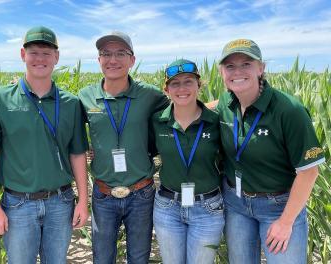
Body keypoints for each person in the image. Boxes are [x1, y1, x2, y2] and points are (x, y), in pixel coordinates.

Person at [0, 26, 89, 264]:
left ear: (56, 57)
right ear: (22, 55)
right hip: (18, 204)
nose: (40, 58)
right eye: (34, 52)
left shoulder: (71, 103)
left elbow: (78, 154)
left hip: (61, 202)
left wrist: (82, 201)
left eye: (47, 53)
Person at [217, 39, 325, 263]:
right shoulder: (226, 104)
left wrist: (286, 222)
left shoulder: (288, 110)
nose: (237, 71)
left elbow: (309, 172)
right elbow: (202, 108)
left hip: (279, 207)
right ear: (221, 72)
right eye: (230, 66)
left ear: (261, 68)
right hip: (236, 204)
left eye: (246, 64)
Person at [78, 31, 168, 263]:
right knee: (102, 257)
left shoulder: (151, 95)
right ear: (98, 60)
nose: (113, 60)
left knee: (139, 257)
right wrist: (90, 146)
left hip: (142, 193)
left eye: (120, 53)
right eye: (105, 54)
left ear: (132, 60)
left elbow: (185, 105)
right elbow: (69, 131)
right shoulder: (85, 97)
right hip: (103, 193)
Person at [151, 59, 224, 263]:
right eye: (175, 83)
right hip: (167, 207)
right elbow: (140, 149)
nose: (182, 88)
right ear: (166, 89)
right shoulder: (157, 121)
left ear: (199, 85)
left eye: (188, 81)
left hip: (208, 209)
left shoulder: (216, 120)